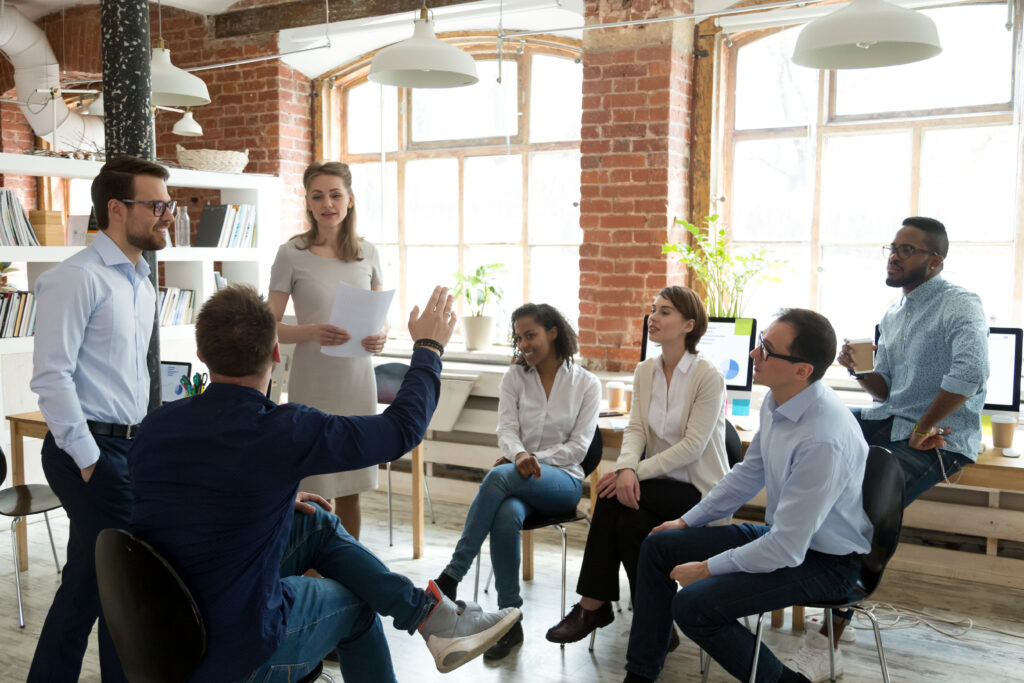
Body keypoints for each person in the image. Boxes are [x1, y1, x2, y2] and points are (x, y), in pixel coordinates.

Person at [128, 285, 519, 682]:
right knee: (358, 603)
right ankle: (429, 621)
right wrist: (430, 347)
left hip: (164, 629)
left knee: (313, 520)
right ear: (276, 352)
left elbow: (183, 503)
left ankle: (431, 617)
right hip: (236, 652)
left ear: (201, 355)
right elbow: (402, 430)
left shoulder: (155, 427)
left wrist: (273, 496)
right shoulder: (282, 430)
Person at [622, 309, 873, 683]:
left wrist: (706, 568)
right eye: (759, 345)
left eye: (767, 351)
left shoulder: (823, 439)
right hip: (788, 541)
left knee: (692, 606)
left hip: (827, 563)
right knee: (660, 545)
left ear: (802, 370)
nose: (754, 355)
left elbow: (787, 549)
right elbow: (746, 476)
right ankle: (640, 675)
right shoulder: (780, 400)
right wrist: (685, 521)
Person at [789, 216, 989, 681]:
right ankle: (803, 582)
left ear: (935, 261)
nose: (895, 256)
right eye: (892, 247)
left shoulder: (961, 305)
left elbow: (969, 374)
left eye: (908, 250)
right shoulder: (893, 314)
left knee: (864, 506)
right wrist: (860, 370)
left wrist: (923, 425)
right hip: (892, 422)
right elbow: (888, 393)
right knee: (813, 435)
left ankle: (830, 637)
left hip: (942, 436)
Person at [27, 155, 172, 683]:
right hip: (88, 449)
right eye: (155, 205)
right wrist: (89, 461)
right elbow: (51, 378)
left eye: (167, 204)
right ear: (116, 208)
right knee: (123, 581)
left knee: (91, 581)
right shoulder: (75, 279)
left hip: (129, 449)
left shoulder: (140, 283)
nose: (166, 216)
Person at [546, 286, 729, 646]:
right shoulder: (646, 370)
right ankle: (656, 622)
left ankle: (593, 606)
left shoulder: (708, 376)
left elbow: (692, 447)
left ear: (688, 324)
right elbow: (636, 429)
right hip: (655, 488)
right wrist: (627, 467)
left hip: (698, 493)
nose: (653, 318)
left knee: (612, 498)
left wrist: (632, 473)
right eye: (653, 310)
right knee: (630, 525)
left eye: (664, 312)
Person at [432, 303, 602, 659]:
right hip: (518, 480)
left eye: (531, 335)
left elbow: (579, 448)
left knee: (497, 478)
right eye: (519, 338)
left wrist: (529, 460)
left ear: (553, 332)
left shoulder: (586, 383)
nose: (524, 344)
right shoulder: (514, 377)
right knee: (506, 513)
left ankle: (452, 574)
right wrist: (518, 455)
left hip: (563, 482)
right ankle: (510, 620)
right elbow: (506, 429)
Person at [268, 160, 387, 539]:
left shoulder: (368, 252)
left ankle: (349, 575)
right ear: (308, 202)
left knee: (352, 487)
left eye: (335, 194)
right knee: (315, 485)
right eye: (317, 196)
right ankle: (314, 573)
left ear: (350, 200)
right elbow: (268, 326)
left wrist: (381, 336)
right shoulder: (291, 253)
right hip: (312, 383)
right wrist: (310, 331)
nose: (327, 203)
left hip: (356, 380)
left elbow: (381, 315)